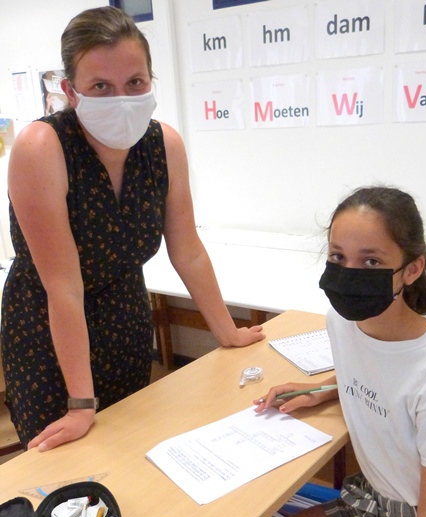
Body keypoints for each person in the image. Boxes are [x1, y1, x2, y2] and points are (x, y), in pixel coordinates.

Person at [1, 6, 264, 453]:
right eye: (101, 86)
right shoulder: (42, 148)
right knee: (67, 472)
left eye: (135, 83)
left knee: (130, 451)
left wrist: (227, 332)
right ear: (71, 91)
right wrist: (80, 404)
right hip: (52, 332)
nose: (121, 99)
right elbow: (63, 287)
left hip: (126, 321)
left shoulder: (164, 145)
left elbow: (188, 251)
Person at [253, 186, 426, 517]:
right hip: (367, 500)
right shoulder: (341, 322)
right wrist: (325, 388)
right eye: (338, 257)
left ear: (412, 269)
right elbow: (380, 372)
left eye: (371, 261)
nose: (348, 274)